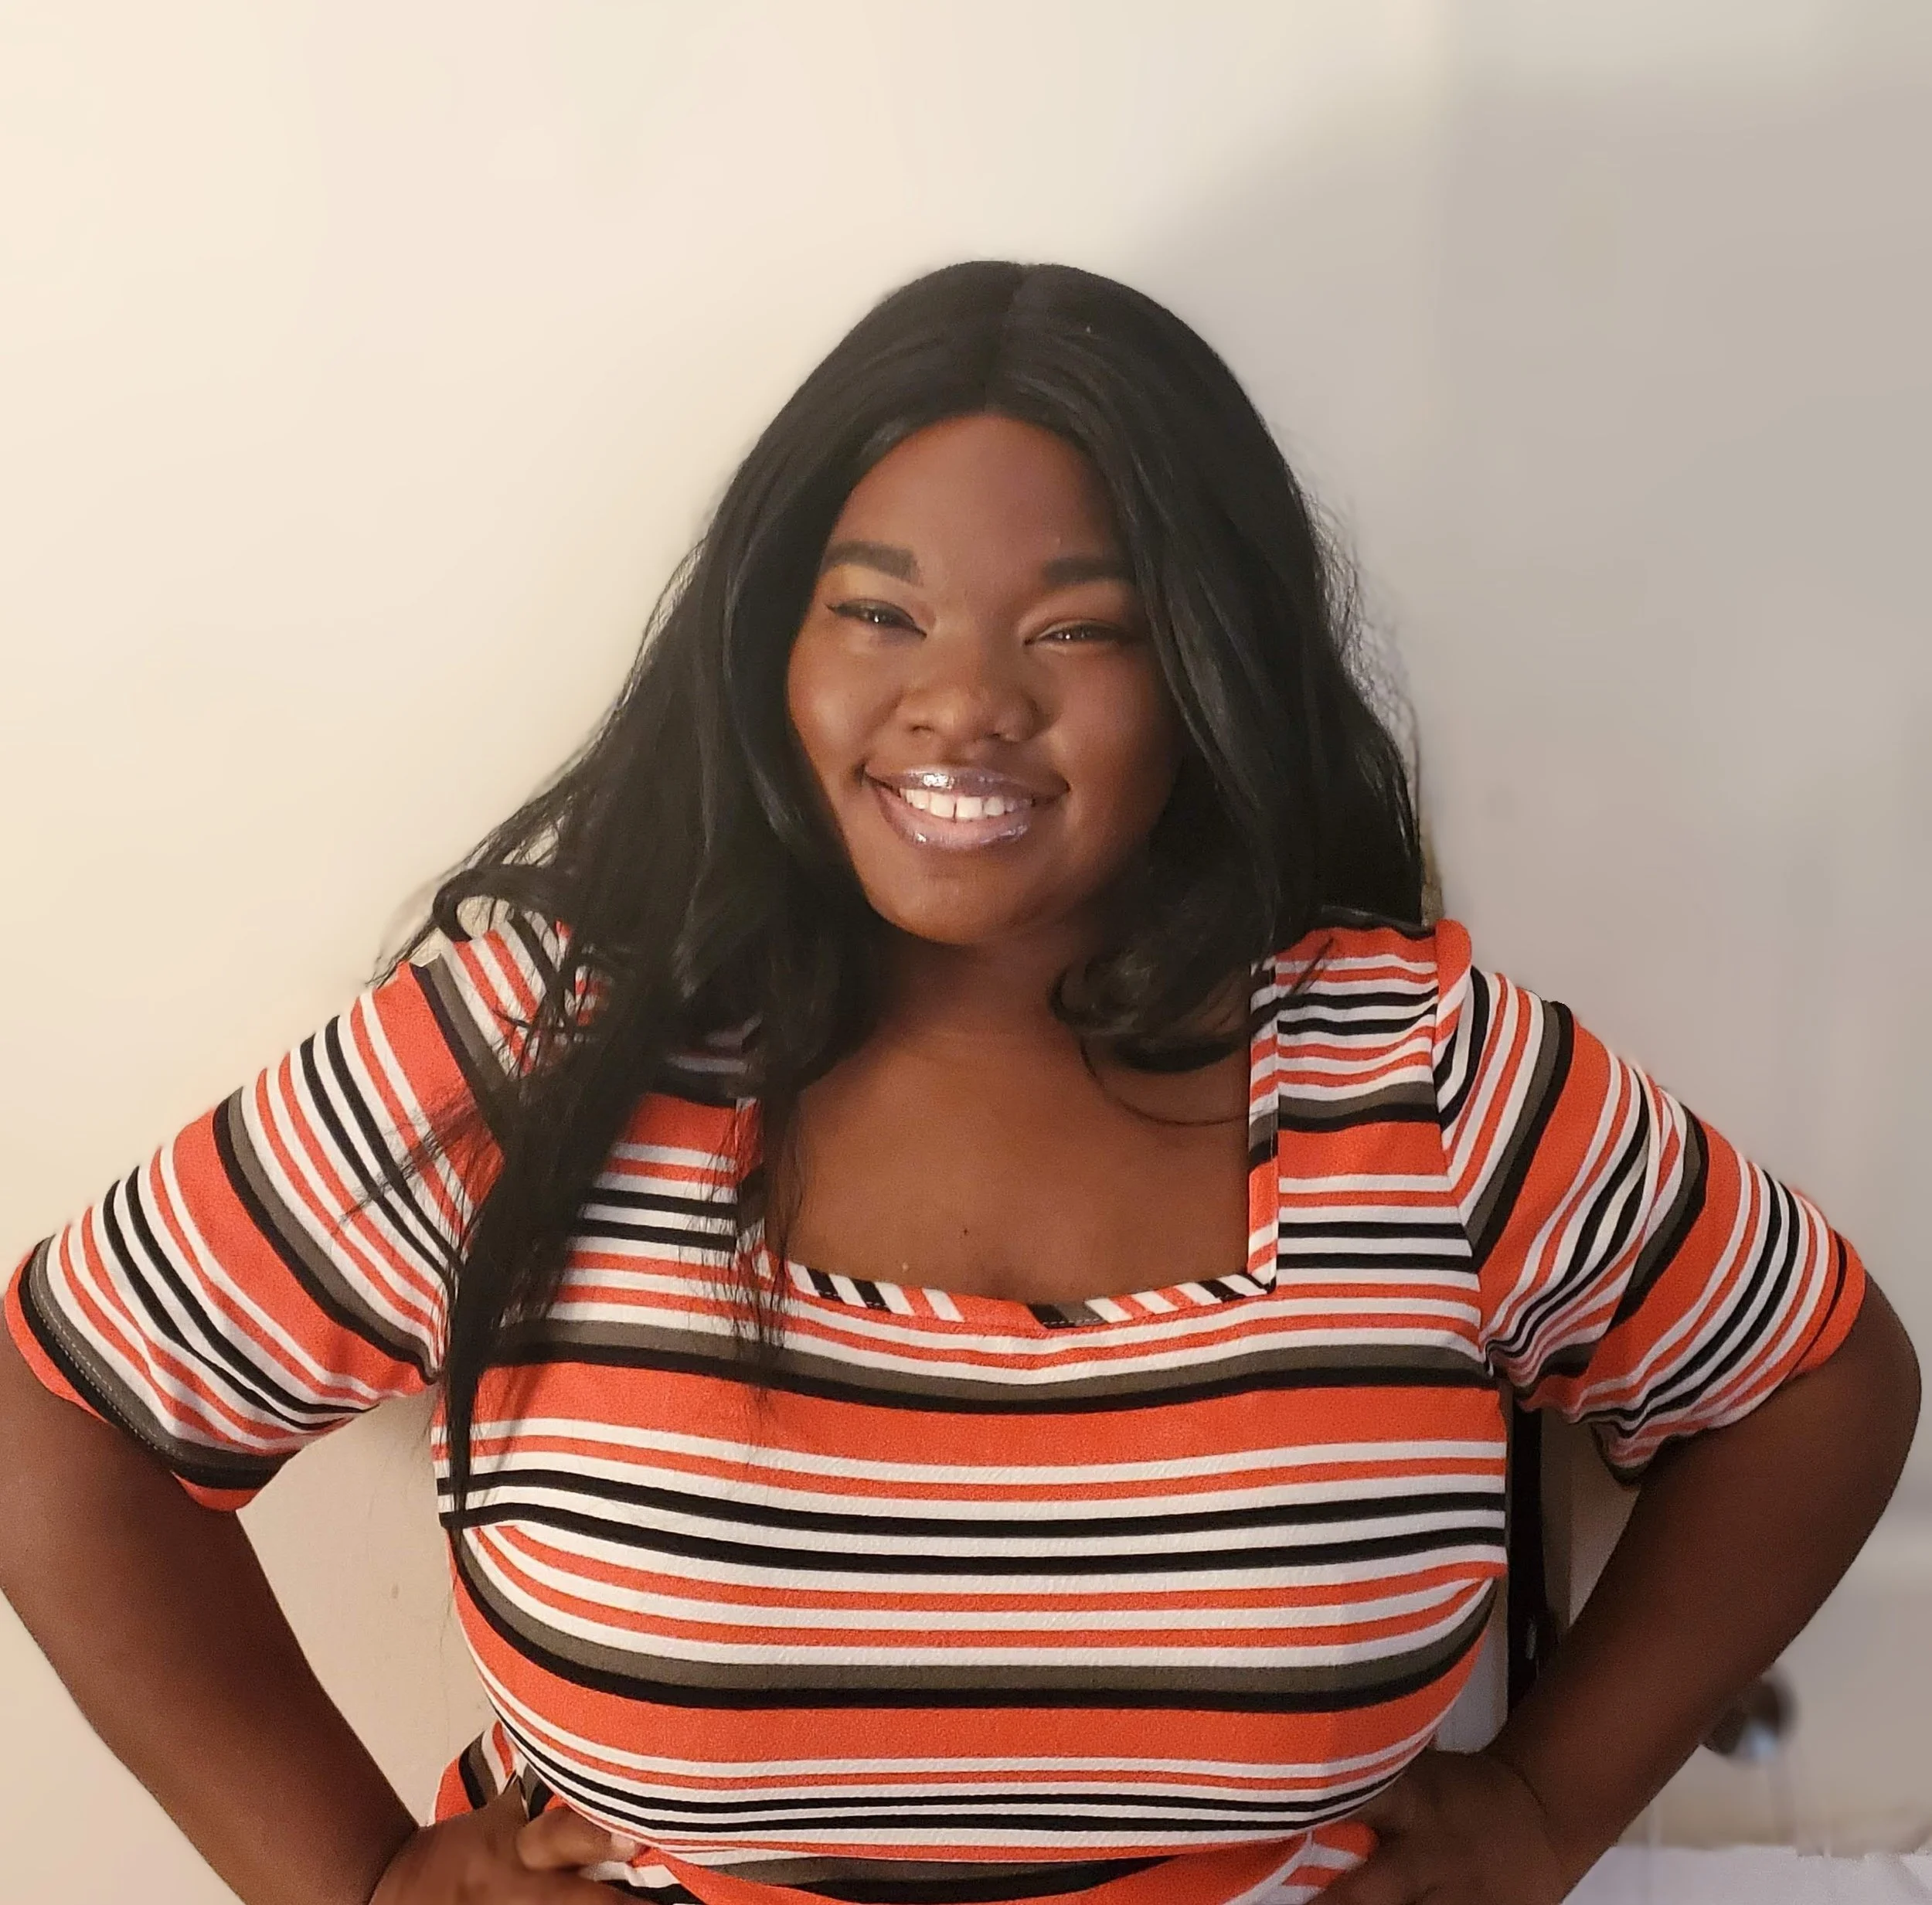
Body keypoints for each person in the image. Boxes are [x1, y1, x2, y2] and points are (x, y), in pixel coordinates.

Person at [0, 260, 1917, 1905]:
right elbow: (52, 1414)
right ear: (774, 645)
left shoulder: (1421, 1077)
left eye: (1077, 625)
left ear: (1208, 663)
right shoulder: (533, 1053)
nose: (965, 702)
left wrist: (1546, 1804)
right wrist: (349, 1873)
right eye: (879, 611)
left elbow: (1816, 1381)